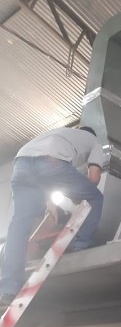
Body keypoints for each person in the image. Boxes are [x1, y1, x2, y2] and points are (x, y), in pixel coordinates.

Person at [0, 126, 104, 307]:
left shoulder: (63, 133)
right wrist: (79, 194)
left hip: (21, 163)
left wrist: (50, 202)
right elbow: (93, 178)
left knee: (19, 224)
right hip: (52, 162)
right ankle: (81, 244)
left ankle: (8, 289)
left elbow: (42, 174)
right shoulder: (95, 142)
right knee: (95, 197)